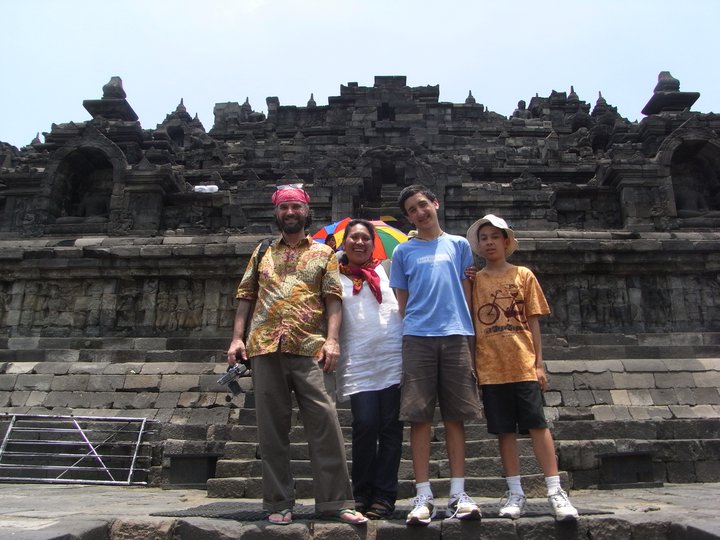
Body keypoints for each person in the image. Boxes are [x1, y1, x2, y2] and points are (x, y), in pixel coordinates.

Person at [226, 184, 367, 526]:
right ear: (276, 213)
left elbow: (334, 299)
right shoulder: (261, 252)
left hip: (309, 347)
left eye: (296, 207)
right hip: (264, 346)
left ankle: (335, 501)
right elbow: (246, 296)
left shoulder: (324, 253)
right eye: (284, 207)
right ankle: (278, 500)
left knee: (325, 424)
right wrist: (236, 339)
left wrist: (333, 341)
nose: (290, 213)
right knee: (271, 430)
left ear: (307, 212)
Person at [465, 214, 579, 522]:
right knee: (504, 431)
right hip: (490, 366)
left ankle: (555, 490)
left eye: (494, 237)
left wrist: (539, 363)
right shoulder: (474, 281)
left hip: (523, 363)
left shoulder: (524, 275)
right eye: (483, 238)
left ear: (506, 241)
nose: (488, 242)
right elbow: (470, 325)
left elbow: (533, 322)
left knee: (538, 425)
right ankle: (515, 492)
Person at [389, 184, 483, 526]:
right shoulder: (403, 252)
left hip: (457, 333)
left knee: (456, 415)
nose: (419, 212)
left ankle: (458, 492)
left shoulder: (459, 245)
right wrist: (419, 322)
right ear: (408, 217)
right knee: (419, 417)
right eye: (412, 210)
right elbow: (402, 301)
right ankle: (423, 494)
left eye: (423, 204)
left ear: (435, 203)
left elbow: (467, 291)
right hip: (417, 337)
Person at [335, 219, 404, 519]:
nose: (360, 243)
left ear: (373, 242)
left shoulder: (388, 270)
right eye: (354, 238)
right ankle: (361, 491)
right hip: (358, 362)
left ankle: (385, 495)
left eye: (365, 238)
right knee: (364, 426)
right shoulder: (332, 276)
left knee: (391, 429)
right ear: (344, 243)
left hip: (393, 358)